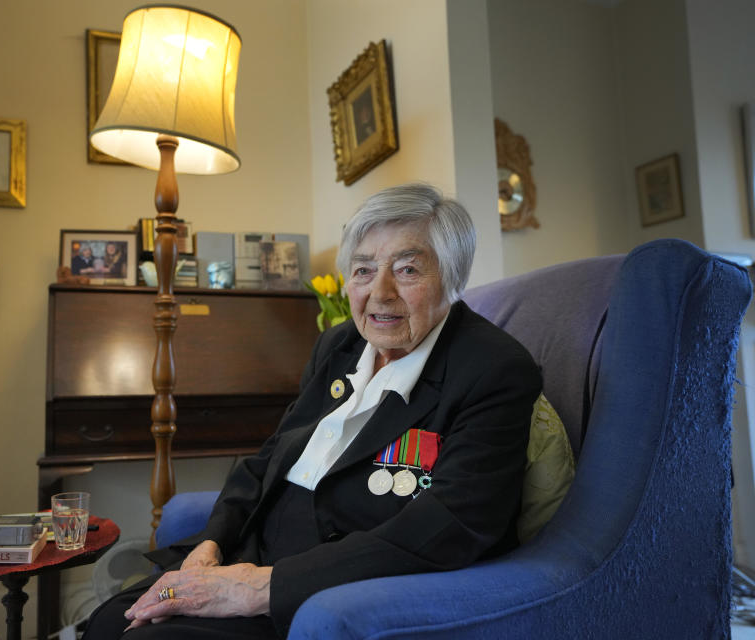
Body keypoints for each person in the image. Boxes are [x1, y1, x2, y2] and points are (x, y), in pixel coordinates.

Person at [83, 183, 542, 639]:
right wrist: (212, 543)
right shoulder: (339, 345)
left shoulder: (494, 369)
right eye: (363, 270)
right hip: (248, 554)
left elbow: (456, 522)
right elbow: (268, 459)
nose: (379, 293)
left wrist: (261, 586)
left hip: (325, 586)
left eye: (406, 270)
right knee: (106, 623)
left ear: (452, 277)